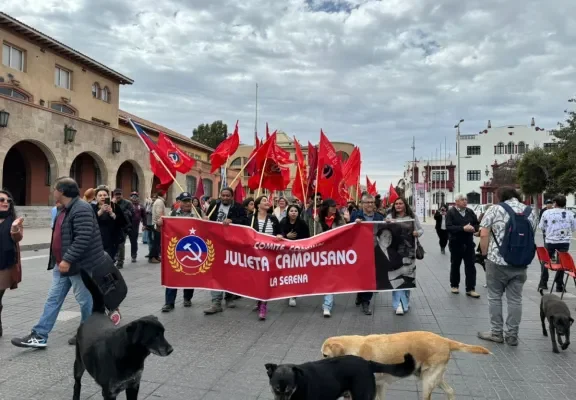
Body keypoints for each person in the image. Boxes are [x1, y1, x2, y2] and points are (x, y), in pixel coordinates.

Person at [11, 177, 107, 349]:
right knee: (53, 299)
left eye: (54, 188)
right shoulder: (64, 208)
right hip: (62, 265)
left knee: (86, 300)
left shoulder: (81, 208)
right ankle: (39, 335)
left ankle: (89, 334)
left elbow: (83, 238)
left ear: (62, 191)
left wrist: (68, 259)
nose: (52, 191)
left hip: (79, 266)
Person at [478, 187, 538, 346]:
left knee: (495, 296)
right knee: (515, 299)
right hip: (520, 262)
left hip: (496, 261)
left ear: (500, 196)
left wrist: (484, 254)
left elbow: (484, 234)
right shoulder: (530, 211)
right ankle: (512, 335)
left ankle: (496, 332)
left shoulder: (495, 209)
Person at [203, 187, 247, 315]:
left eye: (228, 195)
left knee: (230, 272)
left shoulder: (238, 208)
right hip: (216, 244)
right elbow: (208, 223)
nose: (225, 198)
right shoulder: (213, 205)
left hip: (231, 245)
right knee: (216, 273)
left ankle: (229, 298)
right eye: (223, 195)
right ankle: (216, 302)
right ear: (220, 196)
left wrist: (233, 221)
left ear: (232, 197)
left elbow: (245, 222)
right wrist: (204, 219)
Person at [386, 197, 423, 315]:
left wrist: (417, 233)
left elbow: (421, 230)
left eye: (400, 203)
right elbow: (383, 230)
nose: (398, 205)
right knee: (397, 278)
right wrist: (386, 224)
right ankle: (399, 305)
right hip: (394, 252)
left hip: (409, 251)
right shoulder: (389, 217)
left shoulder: (412, 217)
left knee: (407, 278)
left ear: (404, 205)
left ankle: (405, 300)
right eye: (396, 204)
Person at [246, 195, 281, 320]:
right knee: (256, 279)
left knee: (265, 279)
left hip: (269, 253)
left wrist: (279, 236)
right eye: (264, 201)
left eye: (267, 200)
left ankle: (263, 306)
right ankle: (259, 299)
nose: (267, 202)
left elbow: (279, 232)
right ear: (258, 205)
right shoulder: (250, 218)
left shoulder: (273, 218)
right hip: (254, 254)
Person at [162, 192, 197, 312]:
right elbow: (162, 229)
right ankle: (169, 303)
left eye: (189, 201)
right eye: (185, 201)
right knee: (173, 276)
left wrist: (205, 220)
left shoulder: (197, 213)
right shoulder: (172, 214)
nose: (188, 203)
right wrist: (159, 224)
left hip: (193, 248)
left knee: (189, 274)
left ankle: (187, 298)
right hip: (176, 249)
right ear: (179, 203)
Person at [351, 194, 385, 315]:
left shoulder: (380, 217)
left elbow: (385, 230)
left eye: (372, 202)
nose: (370, 204)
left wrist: (389, 223)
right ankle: (360, 295)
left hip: (375, 250)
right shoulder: (355, 215)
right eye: (367, 202)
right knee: (361, 275)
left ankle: (366, 301)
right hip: (360, 251)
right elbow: (349, 231)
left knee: (371, 276)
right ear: (362, 204)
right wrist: (354, 224)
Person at [313, 198, 347, 317]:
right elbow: (313, 236)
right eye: (332, 206)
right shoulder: (317, 220)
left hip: (335, 254)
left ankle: (327, 305)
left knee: (330, 278)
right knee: (325, 278)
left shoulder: (340, 220)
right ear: (326, 207)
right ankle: (328, 302)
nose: (334, 208)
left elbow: (345, 234)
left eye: (335, 206)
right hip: (321, 254)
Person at [538, 195, 576, 292]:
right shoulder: (570, 214)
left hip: (550, 240)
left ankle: (543, 283)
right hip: (564, 242)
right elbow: (573, 228)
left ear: (555, 203)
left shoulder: (547, 213)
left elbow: (541, 226)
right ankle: (559, 284)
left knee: (545, 261)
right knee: (562, 262)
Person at [445, 194, 480, 298]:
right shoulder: (451, 213)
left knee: (471, 266)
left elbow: (477, 224)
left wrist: (474, 228)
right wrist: (462, 228)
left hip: (469, 243)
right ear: (456, 202)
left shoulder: (470, 212)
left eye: (465, 199)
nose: (465, 201)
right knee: (455, 265)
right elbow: (449, 227)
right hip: (456, 243)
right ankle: (454, 285)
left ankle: (470, 288)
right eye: (462, 200)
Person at [0, 190, 23, 337]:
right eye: (2, 200)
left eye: (8, 200)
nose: (5, 202)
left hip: (5, 264)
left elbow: (18, 238)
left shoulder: (13, 220)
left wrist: (15, 229)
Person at [278, 204, 310, 307]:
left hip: (298, 253)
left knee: (295, 274)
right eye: (291, 211)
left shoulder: (303, 223)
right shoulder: (283, 222)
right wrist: (286, 236)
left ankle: (293, 295)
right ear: (288, 212)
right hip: (285, 253)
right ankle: (287, 291)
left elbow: (307, 238)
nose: (293, 213)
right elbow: (278, 235)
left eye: (295, 211)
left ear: (298, 213)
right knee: (287, 273)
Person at [92, 188, 128, 261]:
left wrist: (112, 214)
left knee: (109, 260)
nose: (102, 197)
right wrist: (100, 212)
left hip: (112, 240)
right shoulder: (92, 208)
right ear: (96, 198)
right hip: (97, 240)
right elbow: (89, 222)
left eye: (105, 195)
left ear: (108, 197)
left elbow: (123, 222)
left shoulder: (115, 207)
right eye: (100, 195)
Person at [112, 189, 134, 269]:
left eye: (119, 194)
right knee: (114, 245)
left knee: (121, 245)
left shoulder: (128, 203)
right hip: (113, 227)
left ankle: (120, 262)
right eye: (116, 194)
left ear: (122, 195)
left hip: (123, 227)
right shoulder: (111, 203)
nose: (118, 196)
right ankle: (114, 259)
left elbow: (132, 214)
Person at [128, 191, 146, 263]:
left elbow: (144, 216)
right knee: (121, 242)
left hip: (135, 226)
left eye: (135, 196)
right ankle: (118, 256)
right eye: (132, 196)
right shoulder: (127, 205)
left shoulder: (141, 206)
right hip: (126, 225)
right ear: (130, 197)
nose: (134, 197)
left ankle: (133, 255)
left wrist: (144, 225)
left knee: (134, 242)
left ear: (138, 197)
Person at [149, 191, 166, 264]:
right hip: (157, 224)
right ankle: (152, 257)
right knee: (156, 242)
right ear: (164, 194)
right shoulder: (160, 202)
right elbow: (159, 213)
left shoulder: (159, 201)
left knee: (157, 241)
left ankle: (156, 256)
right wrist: (159, 223)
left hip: (156, 224)